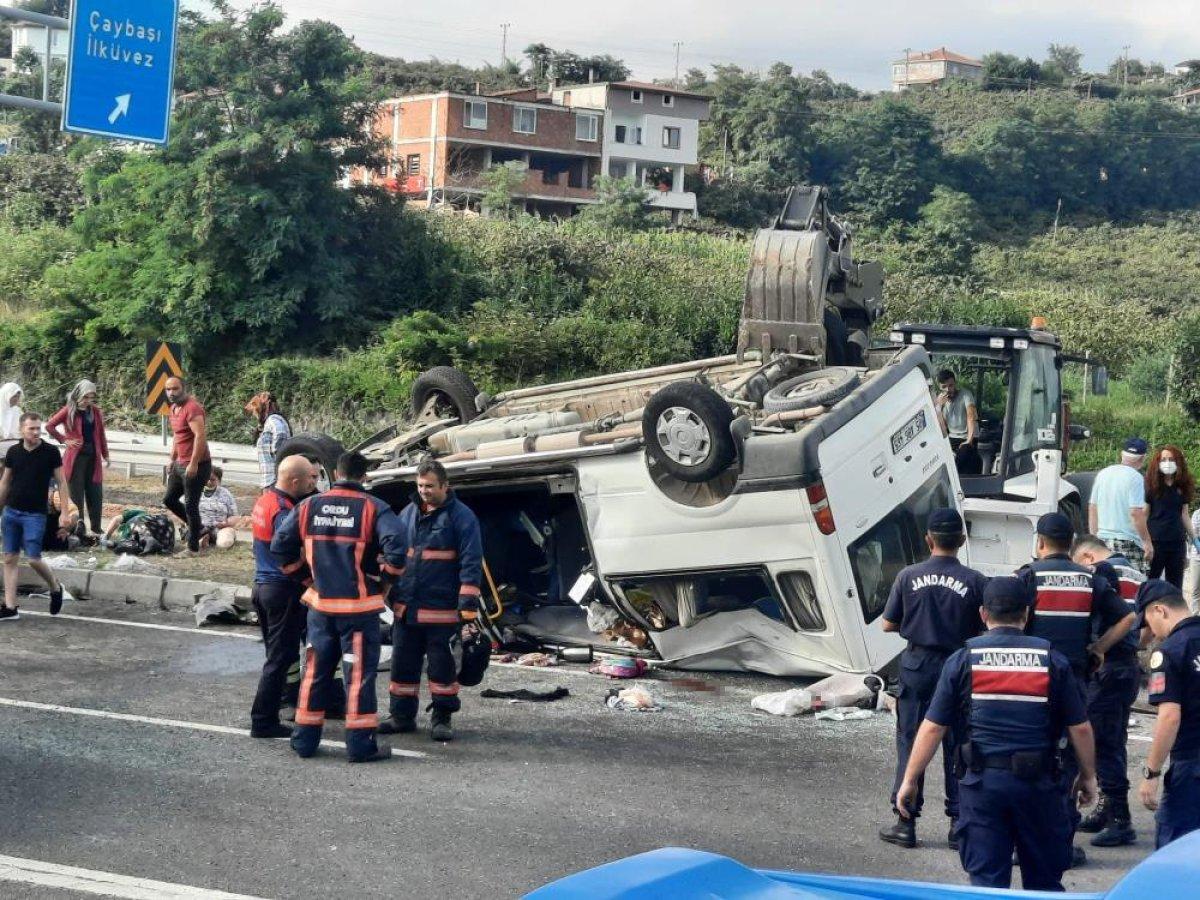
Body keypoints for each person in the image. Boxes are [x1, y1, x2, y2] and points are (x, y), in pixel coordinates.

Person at [895, 577, 1097, 891]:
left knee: (988, 885)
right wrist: (1088, 776)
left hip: (983, 786)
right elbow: (1080, 727)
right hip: (1040, 788)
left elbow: (934, 726)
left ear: (983, 614)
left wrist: (910, 779)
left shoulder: (963, 660)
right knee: (1044, 885)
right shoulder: (1052, 661)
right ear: (1027, 614)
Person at [271, 451, 405, 763]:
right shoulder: (374, 508)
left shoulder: (308, 506)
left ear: (335, 472)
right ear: (364, 476)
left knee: (315, 672)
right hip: (358, 611)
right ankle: (360, 746)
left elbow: (279, 547)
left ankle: (304, 741)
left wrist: (307, 579)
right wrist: (385, 585)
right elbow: (398, 550)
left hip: (320, 608)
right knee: (357, 677)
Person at [1018, 512, 1134, 867]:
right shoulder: (1090, 579)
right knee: (1067, 762)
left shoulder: (1028, 576)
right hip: (1074, 684)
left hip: (1032, 683)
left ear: (1040, 542)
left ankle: (1023, 844)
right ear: (1071, 545)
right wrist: (1099, 648)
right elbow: (1128, 617)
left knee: (1027, 758)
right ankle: (1062, 845)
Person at [877, 508, 988, 850]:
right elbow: (985, 626)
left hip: (917, 665)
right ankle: (959, 824)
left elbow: (887, 623)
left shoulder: (908, 576)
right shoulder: (975, 581)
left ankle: (905, 822)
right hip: (958, 665)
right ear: (962, 540)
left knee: (912, 741)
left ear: (929, 539)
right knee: (959, 744)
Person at [380, 459, 483, 742]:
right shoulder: (408, 513)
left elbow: (471, 563)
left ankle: (442, 718)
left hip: (441, 611)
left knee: (442, 670)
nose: (424, 491)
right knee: (402, 667)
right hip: (407, 610)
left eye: (429, 486)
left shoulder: (462, 517)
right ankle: (401, 716)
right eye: (420, 485)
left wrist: (468, 607)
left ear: (445, 486)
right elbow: (397, 553)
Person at [1071, 534, 1146, 847]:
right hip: (1128, 667)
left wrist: (1099, 648)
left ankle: (1120, 818)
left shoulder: (1100, 573)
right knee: (1113, 739)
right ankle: (1107, 809)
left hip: (1108, 666)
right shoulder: (1140, 575)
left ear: (1088, 557)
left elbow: (1099, 620)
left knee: (1103, 743)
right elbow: (1147, 627)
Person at [248, 455, 317, 739]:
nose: (314, 483)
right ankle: (263, 720)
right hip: (282, 590)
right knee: (280, 658)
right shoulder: (284, 512)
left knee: (275, 656)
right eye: (310, 479)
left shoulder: (265, 501)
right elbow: (288, 551)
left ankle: (270, 712)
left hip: (263, 587)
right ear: (295, 481)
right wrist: (310, 580)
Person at [1134, 579, 1200, 848]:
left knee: (1174, 850)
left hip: (1192, 765)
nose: (1151, 632)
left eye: (1149, 622)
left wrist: (1152, 773)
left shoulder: (1171, 651)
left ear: (1160, 610)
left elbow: (1170, 716)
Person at [0, 412, 70, 619]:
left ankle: (55, 586)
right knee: (9, 558)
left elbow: (62, 482)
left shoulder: (50, 452)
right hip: (11, 511)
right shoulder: (13, 452)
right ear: (21, 429)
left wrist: (64, 512)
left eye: (38, 427)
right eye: (31, 428)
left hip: (35, 514)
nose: (36, 432)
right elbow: (5, 482)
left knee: (33, 559)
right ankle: (11, 608)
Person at [46, 380, 110, 536]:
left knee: (95, 492)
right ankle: (78, 528)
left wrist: (105, 454)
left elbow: (101, 434)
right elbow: (50, 425)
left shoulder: (95, 411)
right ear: (77, 395)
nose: (87, 400)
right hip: (75, 459)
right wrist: (64, 439)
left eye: (90, 397)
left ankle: (96, 527)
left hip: (93, 458)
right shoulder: (69, 410)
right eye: (85, 397)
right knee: (76, 494)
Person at [162, 377, 211, 556]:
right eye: (168, 390)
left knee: (191, 505)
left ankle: (192, 548)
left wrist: (194, 463)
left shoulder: (192, 408)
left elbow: (200, 436)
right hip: (179, 463)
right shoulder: (173, 408)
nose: (171, 393)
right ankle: (199, 528)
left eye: (175, 389)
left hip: (197, 465)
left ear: (183, 388)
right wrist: (172, 459)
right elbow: (177, 436)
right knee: (169, 499)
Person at [1089, 437, 1152, 572]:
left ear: (1122, 454)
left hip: (1103, 542)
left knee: (1105, 586)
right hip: (1128, 543)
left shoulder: (1103, 474)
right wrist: (1147, 542)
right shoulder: (1136, 478)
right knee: (1132, 589)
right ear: (1142, 458)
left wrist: (1094, 538)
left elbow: (1093, 508)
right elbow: (1135, 513)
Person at [1144, 445, 1196, 588]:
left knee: (1175, 585)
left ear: (1178, 462)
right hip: (1156, 542)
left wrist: (1195, 539)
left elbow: (1184, 514)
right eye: (1164, 459)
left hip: (1177, 542)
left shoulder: (1182, 487)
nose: (1167, 463)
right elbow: (1144, 514)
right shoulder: (1151, 486)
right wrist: (1145, 541)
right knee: (1151, 583)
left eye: (1171, 459)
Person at [934, 370, 981, 476]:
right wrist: (938, 409)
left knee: (964, 452)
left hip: (968, 437)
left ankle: (952, 475)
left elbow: (971, 416)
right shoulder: (940, 402)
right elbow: (942, 430)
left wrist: (969, 440)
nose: (948, 390)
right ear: (940, 388)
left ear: (955, 383)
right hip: (952, 439)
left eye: (950, 385)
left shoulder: (965, 395)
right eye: (944, 387)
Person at [245, 392, 291, 490]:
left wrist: (276, 454)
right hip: (272, 481)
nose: (254, 413)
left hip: (274, 481)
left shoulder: (273, 420)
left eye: (255, 408)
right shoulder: (271, 421)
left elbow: (281, 434)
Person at [197, 467, 242, 549]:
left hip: (221, 528)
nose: (208, 482)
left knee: (224, 543)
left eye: (212, 480)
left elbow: (235, 517)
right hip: (201, 527)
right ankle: (203, 540)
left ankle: (209, 539)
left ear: (219, 480)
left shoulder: (226, 494)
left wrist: (225, 523)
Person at [1183, 506, 1200, 614]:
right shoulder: (1197, 514)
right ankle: (1195, 617)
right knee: (1194, 590)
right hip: (1197, 557)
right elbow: (1192, 535)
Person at [0, 382, 23, 457]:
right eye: (14, 396)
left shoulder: (18, 411)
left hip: (14, 450)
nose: (16, 399)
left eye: (18, 397)